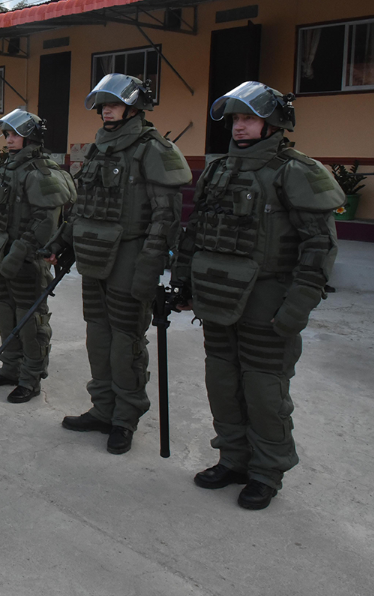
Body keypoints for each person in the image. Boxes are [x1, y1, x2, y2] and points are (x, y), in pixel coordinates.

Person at [173, 82, 342, 510]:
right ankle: (232, 458)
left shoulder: (297, 172)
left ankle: (266, 471)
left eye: (248, 118)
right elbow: (197, 231)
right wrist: (183, 283)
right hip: (218, 296)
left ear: (273, 123)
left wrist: (297, 307)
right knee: (223, 381)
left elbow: (319, 246)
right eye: (235, 119)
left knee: (264, 389)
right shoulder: (218, 169)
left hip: (268, 299)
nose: (239, 127)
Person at [48, 74, 191, 454]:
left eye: (113, 103)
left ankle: (125, 418)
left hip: (131, 254)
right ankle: (103, 408)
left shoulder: (154, 149)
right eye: (102, 104)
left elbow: (167, 218)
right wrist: (62, 240)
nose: (105, 109)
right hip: (95, 255)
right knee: (98, 336)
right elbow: (83, 204)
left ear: (134, 106)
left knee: (126, 341)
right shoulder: (100, 148)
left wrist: (151, 267)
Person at [0, 110, 75, 402]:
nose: (8, 140)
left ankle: (31, 378)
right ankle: (10, 367)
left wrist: (18, 253)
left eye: (14, 134)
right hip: (3, 258)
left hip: (27, 261)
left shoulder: (40, 172)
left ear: (30, 137)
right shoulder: (8, 168)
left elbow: (46, 222)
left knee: (30, 321)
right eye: (6, 134)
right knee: (5, 313)